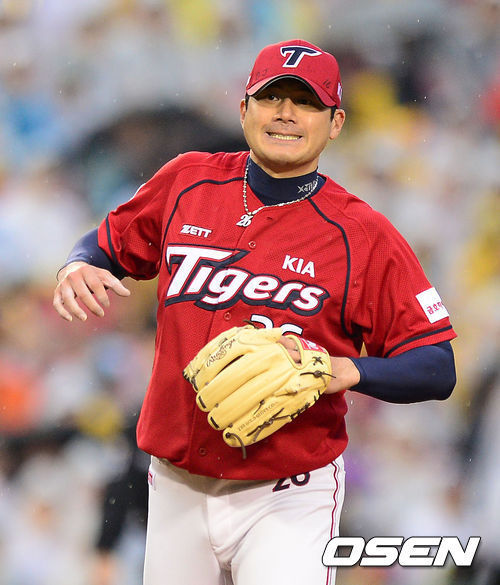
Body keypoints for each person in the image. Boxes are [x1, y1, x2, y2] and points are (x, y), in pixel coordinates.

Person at [53, 39, 457, 585]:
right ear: (244, 109)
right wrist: (78, 265)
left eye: (306, 102)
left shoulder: (360, 233)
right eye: (271, 98)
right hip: (175, 486)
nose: (286, 114)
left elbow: (436, 366)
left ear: (335, 123)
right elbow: (106, 243)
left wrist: (347, 370)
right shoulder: (188, 181)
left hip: (288, 494)